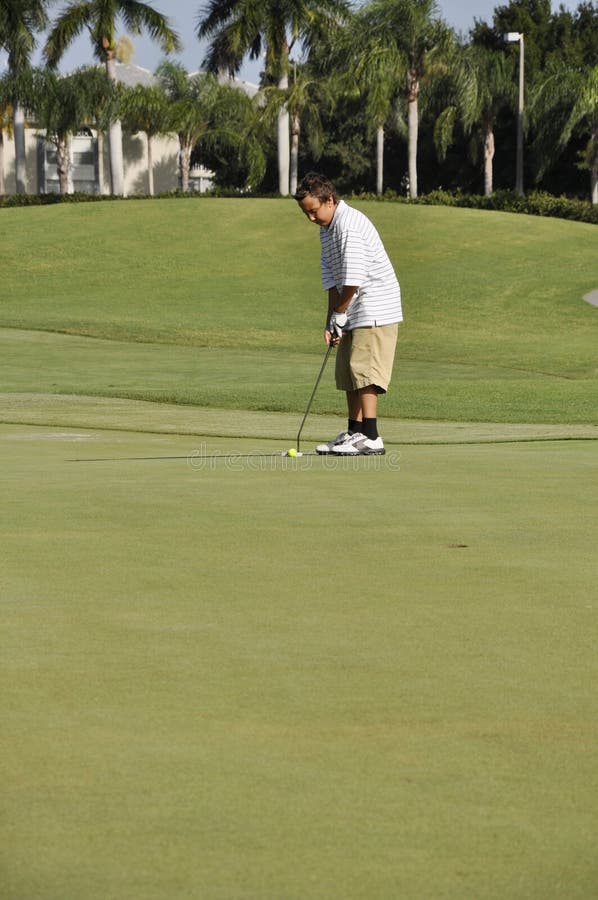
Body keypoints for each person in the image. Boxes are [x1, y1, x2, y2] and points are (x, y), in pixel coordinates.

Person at [294, 172, 403, 455]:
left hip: (375, 305)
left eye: (314, 211)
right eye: (306, 213)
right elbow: (332, 280)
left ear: (329, 199)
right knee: (348, 372)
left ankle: (372, 436)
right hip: (353, 305)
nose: (311, 219)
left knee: (365, 371)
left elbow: (354, 277)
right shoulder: (327, 230)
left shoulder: (349, 225)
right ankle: (354, 433)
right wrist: (331, 320)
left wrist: (340, 313)